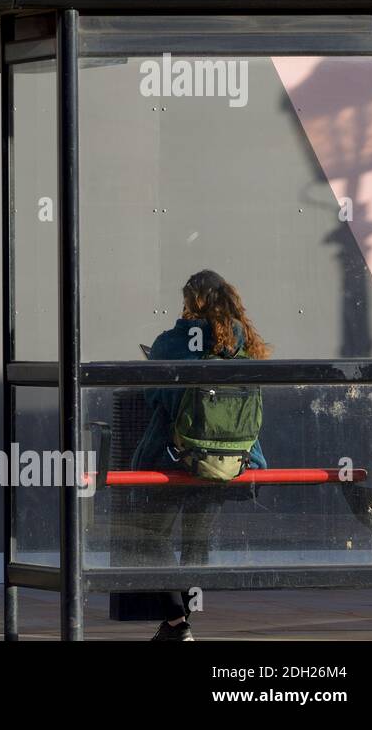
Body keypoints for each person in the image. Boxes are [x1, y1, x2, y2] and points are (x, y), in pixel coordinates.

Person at [130, 270, 271, 641]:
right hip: (228, 463)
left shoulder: (170, 342)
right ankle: (180, 623)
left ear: (191, 302)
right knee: (196, 540)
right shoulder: (244, 343)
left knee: (148, 535)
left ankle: (178, 623)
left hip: (171, 460)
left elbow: (153, 397)